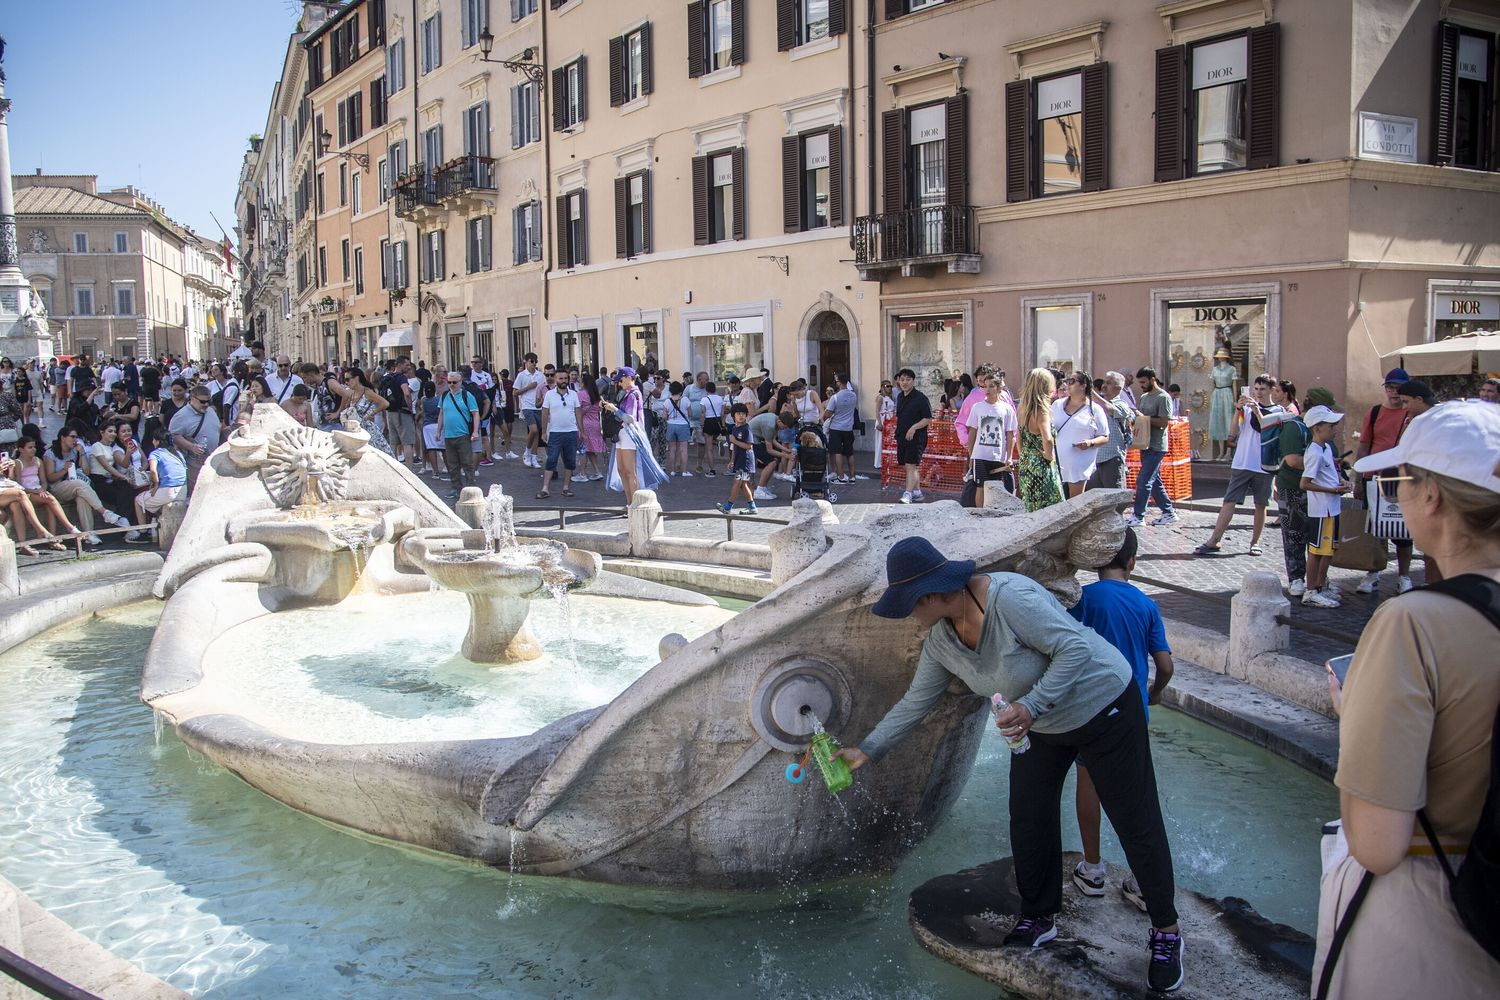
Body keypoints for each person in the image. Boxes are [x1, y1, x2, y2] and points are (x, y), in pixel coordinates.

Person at [836, 538, 1185, 993]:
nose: (908, 615)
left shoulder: (1011, 597)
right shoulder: (942, 640)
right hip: (1041, 725)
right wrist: (867, 749)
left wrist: (1034, 705)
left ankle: (1166, 932)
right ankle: (1040, 917)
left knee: (1133, 818)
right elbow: (915, 702)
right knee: (1028, 815)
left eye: (909, 605)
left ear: (932, 595)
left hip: (1104, 705)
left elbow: (1075, 649)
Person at [1314, 400, 1500, 998]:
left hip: (1427, 922)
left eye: (1401, 481)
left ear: (1434, 499)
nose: (1395, 494)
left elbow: (1376, 843)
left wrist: (1355, 722)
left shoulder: (1412, 624)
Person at [1066, 527, 1175, 908]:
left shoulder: (1082, 599)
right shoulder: (1146, 605)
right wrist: (1156, 691)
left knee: (1089, 782)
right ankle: (1143, 881)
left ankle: (1093, 869)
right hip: (1132, 710)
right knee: (1135, 792)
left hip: (1089, 708)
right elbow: (1164, 664)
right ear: (1132, 561)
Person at [1194, 374, 1282, 556]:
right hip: (1243, 462)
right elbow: (1233, 432)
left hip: (1264, 464)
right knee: (1229, 500)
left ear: (1272, 390)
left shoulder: (1278, 411)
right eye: (1256, 389)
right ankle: (1214, 540)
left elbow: (1267, 429)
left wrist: (1257, 411)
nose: (1258, 393)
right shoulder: (1247, 409)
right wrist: (1237, 410)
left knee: (1260, 504)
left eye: (1262, 389)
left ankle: (1255, 543)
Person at [1351, 368, 1416, 594]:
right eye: (1390, 387)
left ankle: (1404, 576)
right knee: (1375, 528)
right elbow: (1364, 445)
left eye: (1399, 388)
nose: (1394, 392)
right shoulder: (1375, 412)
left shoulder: (1412, 415)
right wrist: (1358, 478)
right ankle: (1373, 571)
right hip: (1374, 478)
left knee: (1403, 531)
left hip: (1402, 478)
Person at [1274, 387, 1335, 598]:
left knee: (1315, 536)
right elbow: (1293, 460)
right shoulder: (1294, 427)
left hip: (1317, 492)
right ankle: (1296, 578)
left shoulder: (1324, 431)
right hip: (1292, 487)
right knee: (1294, 534)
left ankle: (1316, 579)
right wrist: (1322, 466)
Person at [1298, 406, 1353, 608]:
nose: (1335, 429)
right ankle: (1311, 590)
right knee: (1317, 551)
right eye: (1331, 426)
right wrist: (1332, 490)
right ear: (1317, 428)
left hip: (1332, 508)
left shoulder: (1326, 448)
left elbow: (1330, 472)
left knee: (1327, 551)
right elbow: (1304, 483)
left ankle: (1320, 586)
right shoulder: (1314, 453)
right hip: (1322, 510)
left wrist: (1341, 481)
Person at [1125, 368, 1178, 527]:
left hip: (1157, 445)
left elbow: (1163, 422)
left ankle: (1138, 515)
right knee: (1154, 481)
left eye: (1143, 382)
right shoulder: (1144, 397)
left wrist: (1143, 418)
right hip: (1145, 443)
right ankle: (1168, 512)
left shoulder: (1163, 397)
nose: (1140, 385)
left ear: (1152, 379)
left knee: (1144, 480)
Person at [10, 436, 84, 546]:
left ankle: (52, 539)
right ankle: (70, 527)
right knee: (50, 498)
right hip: (27, 493)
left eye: (34, 447)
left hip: (38, 491)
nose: (33, 449)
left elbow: (44, 481)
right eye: (30, 447)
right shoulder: (18, 463)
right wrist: (36, 491)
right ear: (21, 449)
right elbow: (19, 485)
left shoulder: (38, 461)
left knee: (49, 504)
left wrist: (42, 489)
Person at [1052, 371, 1110, 498]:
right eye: (1067, 381)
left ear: (1083, 385)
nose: (1068, 384)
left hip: (1078, 464)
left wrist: (1090, 443)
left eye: (1072, 381)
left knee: (1075, 501)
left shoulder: (1094, 410)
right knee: (1056, 502)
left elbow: (1105, 437)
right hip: (1055, 463)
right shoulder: (1057, 405)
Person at [1016, 368, 1064, 512]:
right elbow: (1047, 439)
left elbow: (1018, 436)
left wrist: (1024, 455)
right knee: (1050, 506)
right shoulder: (1042, 411)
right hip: (1041, 465)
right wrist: (1049, 457)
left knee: (1031, 505)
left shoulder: (1022, 408)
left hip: (1026, 462)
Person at [1, 450, 66, 554]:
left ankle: (23, 545)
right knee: (21, 494)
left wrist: (10, 468)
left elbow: (11, 479)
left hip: (5, 488)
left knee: (15, 505)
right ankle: (40, 530)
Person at [125, 433, 186, 544]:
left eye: (153, 440)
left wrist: (156, 485)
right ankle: (156, 529)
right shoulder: (177, 453)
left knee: (138, 500)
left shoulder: (155, 453)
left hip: (168, 491)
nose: (153, 442)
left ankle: (143, 532)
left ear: (157, 441)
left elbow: (152, 470)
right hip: (183, 490)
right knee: (156, 501)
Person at [963, 371, 1016, 496]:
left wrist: (1009, 457)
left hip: (998, 456)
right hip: (980, 455)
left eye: (991, 386)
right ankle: (980, 514)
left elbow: (1010, 434)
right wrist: (971, 456)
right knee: (980, 487)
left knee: (996, 489)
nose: (987, 389)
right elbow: (972, 433)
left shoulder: (1007, 409)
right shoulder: (977, 407)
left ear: (999, 388)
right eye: (985, 386)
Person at [168, 385, 221, 494]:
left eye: (208, 401)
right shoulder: (181, 416)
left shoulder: (210, 411)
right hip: (195, 462)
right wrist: (191, 447)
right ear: (192, 399)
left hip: (213, 459)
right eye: (202, 402)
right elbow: (174, 435)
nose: (206, 404)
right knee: (198, 492)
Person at [437, 371, 481, 500]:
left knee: (467, 462)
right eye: (449, 382)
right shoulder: (444, 395)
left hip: (463, 434)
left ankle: (471, 488)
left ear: (460, 382)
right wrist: (438, 430)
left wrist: (475, 431)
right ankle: (456, 488)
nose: (451, 384)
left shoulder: (467, 396)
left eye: (454, 382)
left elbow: (475, 413)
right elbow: (441, 413)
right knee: (452, 464)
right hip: (448, 435)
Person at [1088, 372, 1135, 491]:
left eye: (1108, 383)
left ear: (1118, 388)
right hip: (1096, 458)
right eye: (1104, 382)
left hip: (1112, 458)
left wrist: (1090, 391)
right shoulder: (1097, 404)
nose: (1103, 386)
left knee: (1113, 495)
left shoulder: (1122, 405)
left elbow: (1108, 408)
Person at [537, 373, 581, 498]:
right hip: (555, 432)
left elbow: (578, 412)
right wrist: (544, 431)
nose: (563, 381)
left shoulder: (573, 394)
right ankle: (545, 488)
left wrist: (581, 430)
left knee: (570, 461)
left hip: (571, 431)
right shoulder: (549, 395)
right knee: (551, 459)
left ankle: (566, 488)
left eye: (565, 378)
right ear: (556, 380)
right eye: (560, 378)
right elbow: (545, 413)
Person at [894, 368, 932, 504]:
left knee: (911, 465)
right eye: (902, 379)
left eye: (908, 380)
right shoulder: (899, 396)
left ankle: (908, 494)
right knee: (906, 465)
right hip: (901, 436)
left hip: (917, 438)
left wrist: (914, 428)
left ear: (913, 381)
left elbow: (928, 418)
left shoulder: (921, 398)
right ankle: (917, 492)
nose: (904, 382)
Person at [716, 402, 758, 515]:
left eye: (743, 413)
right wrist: (732, 460)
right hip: (739, 460)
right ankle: (752, 507)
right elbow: (734, 447)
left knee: (736, 483)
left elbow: (749, 446)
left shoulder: (746, 429)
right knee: (743, 485)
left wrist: (735, 441)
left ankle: (728, 507)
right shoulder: (735, 428)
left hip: (746, 462)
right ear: (733, 415)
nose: (741, 416)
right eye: (738, 413)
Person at [822, 374, 863, 484]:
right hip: (848, 428)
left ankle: (841, 476)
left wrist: (824, 416)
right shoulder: (853, 395)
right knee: (850, 453)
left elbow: (828, 413)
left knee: (837, 452)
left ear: (839, 382)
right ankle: (852, 476)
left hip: (836, 427)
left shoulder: (835, 397)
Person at [514, 354, 547, 468]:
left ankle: (534, 456)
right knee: (533, 430)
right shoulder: (521, 375)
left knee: (537, 432)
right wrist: (529, 387)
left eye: (535, 361)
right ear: (526, 362)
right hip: (527, 406)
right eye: (531, 361)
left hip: (538, 406)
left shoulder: (541, 375)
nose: (533, 363)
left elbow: (544, 388)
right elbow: (515, 392)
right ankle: (527, 452)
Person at [1207, 349, 1237, 461]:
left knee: (1228, 421)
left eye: (1222, 356)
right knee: (1218, 422)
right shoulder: (1215, 369)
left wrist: (1234, 400)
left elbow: (1234, 385)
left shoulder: (1231, 369)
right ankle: (1220, 452)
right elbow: (1212, 384)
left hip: (1227, 393)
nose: (1220, 358)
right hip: (1217, 394)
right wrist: (1212, 396)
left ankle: (1228, 452)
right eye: (1219, 356)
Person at [699, 380, 724, 477]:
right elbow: (722, 413)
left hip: (708, 422)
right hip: (717, 421)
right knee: (713, 437)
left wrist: (702, 425)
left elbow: (702, 414)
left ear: (706, 390)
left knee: (708, 448)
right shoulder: (720, 399)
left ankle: (712, 470)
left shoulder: (704, 400)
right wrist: (721, 423)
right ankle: (718, 442)